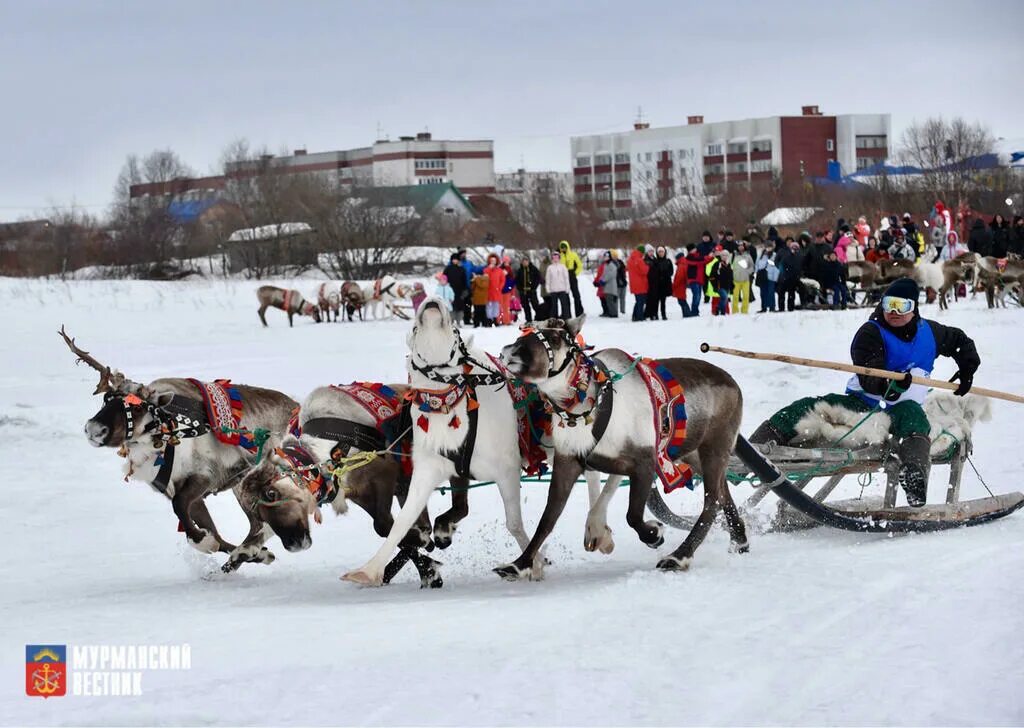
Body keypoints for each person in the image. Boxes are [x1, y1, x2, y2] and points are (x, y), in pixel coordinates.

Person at [750, 277, 980, 507]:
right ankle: (754, 447)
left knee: (915, 420)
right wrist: (886, 386)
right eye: (889, 304)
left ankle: (914, 477)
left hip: (903, 408)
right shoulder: (871, 332)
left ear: (914, 308)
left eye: (902, 306)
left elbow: (960, 341)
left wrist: (967, 368)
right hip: (864, 403)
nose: (894, 312)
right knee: (813, 405)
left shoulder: (931, 333)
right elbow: (870, 373)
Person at [557, 240, 584, 317]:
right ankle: (567, 314)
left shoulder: (573, 255)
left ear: (567, 247)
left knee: (576, 295)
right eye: (561, 248)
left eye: (564, 247)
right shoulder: (559, 256)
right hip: (563, 277)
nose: (563, 249)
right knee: (565, 296)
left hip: (571, 274)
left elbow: (579, 265)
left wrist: (575, 273)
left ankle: (579, 313)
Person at [646, 245, 673, 320]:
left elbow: (671, 271)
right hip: (657, 284)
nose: (661, 253)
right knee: (656, 301)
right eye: (659, 252)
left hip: (665, 284)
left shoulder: (668, 261)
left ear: (665, 252)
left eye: (662, 252)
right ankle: (655, 314)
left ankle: (663, 314)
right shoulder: (655, 261)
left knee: (663, 301)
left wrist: (666, 275)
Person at [514, 255, 542, 322]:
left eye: (526, 261)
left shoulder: (533, 268)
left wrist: (534, 287)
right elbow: (516, 280)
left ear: (528, 261)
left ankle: (538, 317)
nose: (525, 263)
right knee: (526, 306)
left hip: (532, 290)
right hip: (523, 291)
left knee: (535, 305)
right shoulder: (520, 270)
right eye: (523, 261)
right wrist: (520, 289)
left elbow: (538, 278)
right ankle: (528, 319)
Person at [706, 246, 733, 315]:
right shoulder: (717, 263)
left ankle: (723, 312)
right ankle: (717, 309)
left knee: (724, 299)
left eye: (726, 255)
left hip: (726, 286)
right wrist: (715, 285)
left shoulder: (729, 264)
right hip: (719, 286)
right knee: (723, 297)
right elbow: (710, 274)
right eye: (723, 255)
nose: (724, 256)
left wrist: (732, 286)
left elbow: (730, 276)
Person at [545, 251, 571, 319]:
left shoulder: (563, 267)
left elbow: (566, 278)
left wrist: (567, 288)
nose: (555, 259)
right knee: (554, 306)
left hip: (562, 289)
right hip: (553, 290)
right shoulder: (550, 268)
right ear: (552, 258)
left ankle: (566, 318)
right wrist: (548, 288)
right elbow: (548, 279)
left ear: (559, 258)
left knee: (564, 305)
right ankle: (554, 319)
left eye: (557, 257)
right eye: (554, 257)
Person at [755, 240, 779, 312]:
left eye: (770, 247)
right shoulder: (761, 255)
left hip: (771, 276)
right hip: (763, 276)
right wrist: (757, 271)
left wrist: (775, 277)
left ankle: (772, 307)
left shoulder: (774, 255)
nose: (768, 248)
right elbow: (757, 264)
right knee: (763, 292)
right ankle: (764, 307)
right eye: (767, 247)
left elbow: (776, 266)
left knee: (771, 292)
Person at [626, 245, 649, 321]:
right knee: (641, 302)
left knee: (638, 301)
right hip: (640, 283)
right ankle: (639, 317)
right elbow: (644, 271)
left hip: (634, 283)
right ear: (642, 252)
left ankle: (634, 316)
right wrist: (647, 266)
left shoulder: (630, 259)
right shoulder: (639, 260)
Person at [443, 254, 467, 325]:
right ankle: (451, 321)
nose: (455, 260)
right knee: (451, 306)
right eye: (453, 259)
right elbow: (444, 278)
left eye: (456, 259)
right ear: (451, 260)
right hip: (450, 290)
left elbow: (464, 280)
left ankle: (459, 321)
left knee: (460, 307)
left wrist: (465, 290)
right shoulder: (448, 268)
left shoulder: (462, 269)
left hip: (459, 291)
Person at [730, 240, 754, 314]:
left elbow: (752, 266)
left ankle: (744, 311)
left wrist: (748, 272)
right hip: (735, 279)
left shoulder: (748, 255)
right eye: (739, 246)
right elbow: (730, 265)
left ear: (744, 246)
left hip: (745, 279)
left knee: (746, 296)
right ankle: (735, 311)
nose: (740, 247)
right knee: (735, 297)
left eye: (742, 245)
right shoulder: (734, 255)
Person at [684, 244, 705, 317]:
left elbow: (704, 260)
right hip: (693, 279)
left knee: (699, 296)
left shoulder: (699, 256)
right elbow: (696, 263)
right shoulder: (688, 258)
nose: (695, 249)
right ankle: (694, 311)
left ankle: (696, 310)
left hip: (699, 279)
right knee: (696, 295)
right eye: (693, 249)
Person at [484, 253, 505, 325]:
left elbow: (502, 280)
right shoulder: (486, 269)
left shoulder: (499, 270)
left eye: (494, 260)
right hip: (488, 291)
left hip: (496, 291)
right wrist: (489, 269)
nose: (493, 262)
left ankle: (496, 319)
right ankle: (489, 319)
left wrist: (500, 287)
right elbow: (485, 278)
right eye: (491, 260)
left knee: (496, 306)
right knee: (489, 306)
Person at [597, 250, 620, 318]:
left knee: (611, 300)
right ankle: (611, 312)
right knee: (608, 300)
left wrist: (603, 280)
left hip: (611, 286)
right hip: (606, 286)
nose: (605, 258)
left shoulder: (612, 265)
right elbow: (604, 274)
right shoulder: (606, 265)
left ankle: (614, 313)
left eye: (607, 257)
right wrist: (600, 280)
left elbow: (611, 274)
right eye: (605, 257)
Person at [672, 251, 690, 317]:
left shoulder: (681, 265)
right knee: (682, 300)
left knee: (682, 301)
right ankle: (686, 314)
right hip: (682, 285)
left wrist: (674, 285)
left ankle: (687, 314)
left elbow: (679, 277)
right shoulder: (684, 263)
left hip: (680, 286)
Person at [611, 250, 627, 315]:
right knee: (616, 298)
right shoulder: (611, 263)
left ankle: (623, 310)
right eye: (614, 255)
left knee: (623, 297)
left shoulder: (621, 262)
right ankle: (615, 310)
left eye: (616, 255)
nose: (615, 256)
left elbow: (624, 270)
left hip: (623, 281)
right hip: (616, 283)